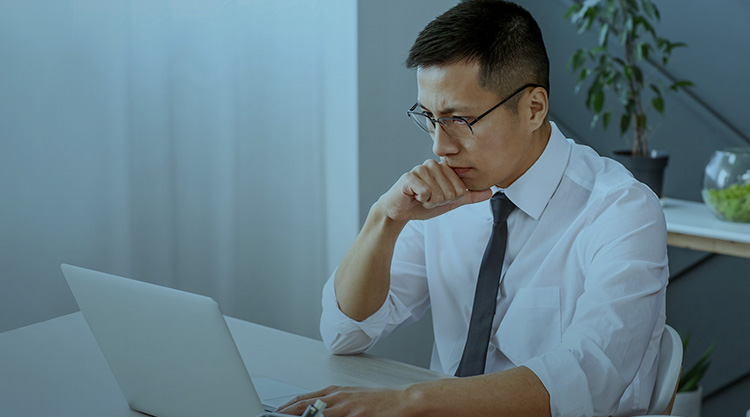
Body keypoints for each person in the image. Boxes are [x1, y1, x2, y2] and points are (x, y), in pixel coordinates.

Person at [278, 1, 668, 416]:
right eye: (428, 117)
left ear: (534, 108)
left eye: (459, 119)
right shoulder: (447, 191)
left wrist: (410, 402)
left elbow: (586, 378)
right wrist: (385, 220)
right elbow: (344, 334)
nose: (439, 146)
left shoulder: (621, 210)